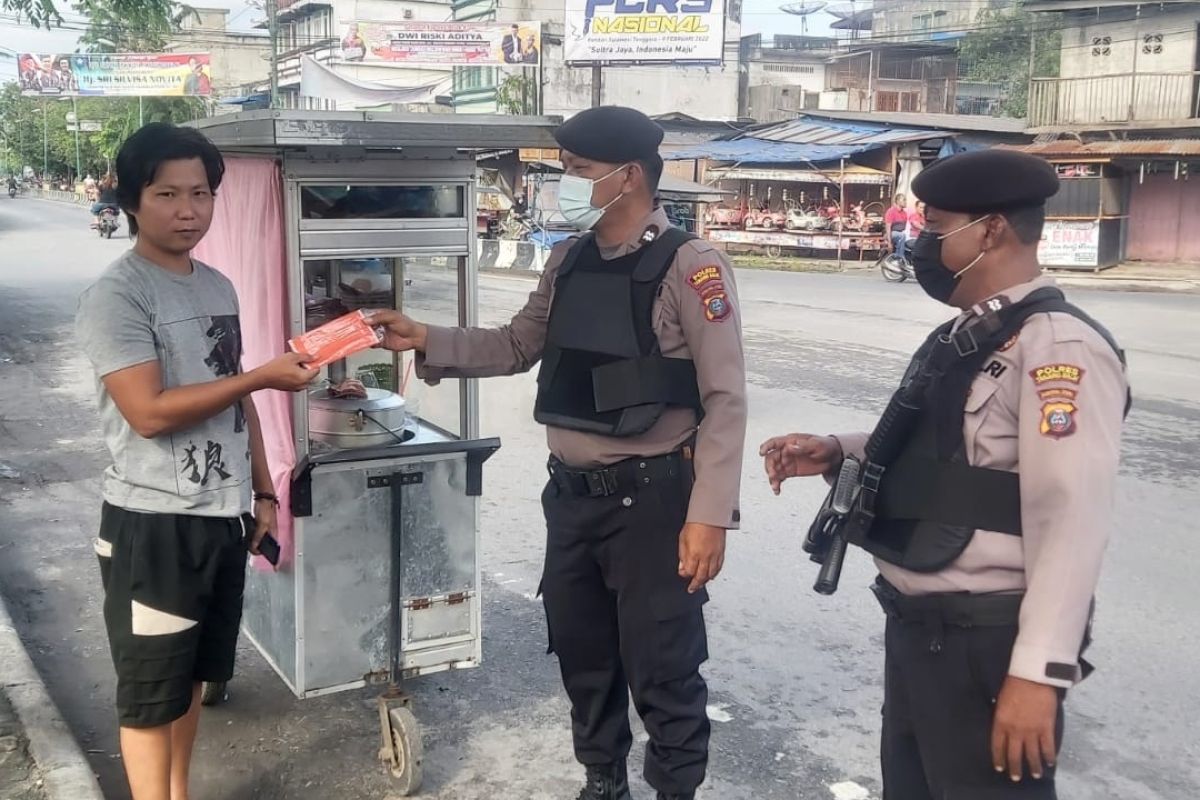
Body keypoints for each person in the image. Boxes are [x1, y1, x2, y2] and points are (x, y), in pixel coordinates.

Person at [368, 106, 747, 800]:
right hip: (571, 500)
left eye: (576, 172)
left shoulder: (691, 268)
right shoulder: (569, 259)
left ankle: (675, 790)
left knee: (664, 665)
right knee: (584, 654)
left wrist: (710, 515)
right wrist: (422, 335)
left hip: (654, 502)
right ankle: (603, 780)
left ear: (627, 177)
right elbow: (516, 345)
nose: (563, 185)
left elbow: (725, 399)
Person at [760, 150, 1129, 800]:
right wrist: (837, 450)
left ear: (989, 230)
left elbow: (1070, 516)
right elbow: (945, 448)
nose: (919, 241)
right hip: (919, 632)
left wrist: (1038, 674)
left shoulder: (1058, 347)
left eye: (935, 227)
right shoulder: (970, 334)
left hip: (984, 646)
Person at [75, 123, 318, 800]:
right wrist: (261, 377)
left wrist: (264, 494)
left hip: (221, 515)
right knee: (151, 695)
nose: (189, 211)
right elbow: (148, 411)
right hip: (152, 525)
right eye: (168, 194)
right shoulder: (118, 295)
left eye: (202, 194)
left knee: (191, 679)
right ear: (129, 199)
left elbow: (237, 399)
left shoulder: (216, 286)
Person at [885, 194, 909, 260]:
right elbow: (888, 228)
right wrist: (889, 243)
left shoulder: (904, 213)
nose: (905, 202)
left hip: (900, 233)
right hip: (890, 233)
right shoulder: (891, 211)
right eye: (904, 200)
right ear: (898, 201)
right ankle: (899, 258)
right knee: (902, 236)